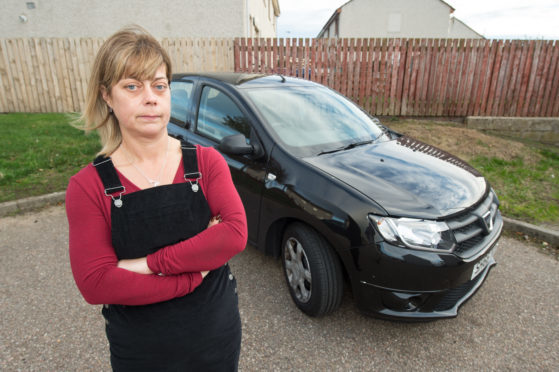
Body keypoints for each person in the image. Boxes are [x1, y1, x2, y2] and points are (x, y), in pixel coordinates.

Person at [65, 25, 248, 371]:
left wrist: (148, 265)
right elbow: (96, 283)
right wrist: (193, 275)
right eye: (132, 86)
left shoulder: (207, 163)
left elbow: (235, 233)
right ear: (107, 95)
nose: (150, 97)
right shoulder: (88, 187)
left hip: (217, 340)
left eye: (159, 85)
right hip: (142, 354)